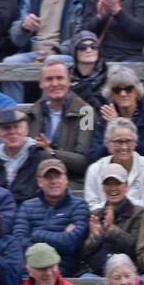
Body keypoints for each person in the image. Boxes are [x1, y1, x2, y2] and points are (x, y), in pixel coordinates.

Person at [26, 58, 97, 192]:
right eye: (49, 79)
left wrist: (51, 152)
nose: (55, 83)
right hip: (38, 181)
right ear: (41, 83)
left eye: (60, 78)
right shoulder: (33, 113)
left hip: (72, 181)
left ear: (69, 81)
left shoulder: (86, 112)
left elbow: (82, 161)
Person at [14, 159, 90, 278]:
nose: (54, 181)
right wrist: (59, 238)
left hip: (65, 271)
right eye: (48, 177)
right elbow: (19, 240)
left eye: (58, 176)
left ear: (66, 179)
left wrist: (37, 234)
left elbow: (71, 243)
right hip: (32, 269)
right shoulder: (27, 206)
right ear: (39, 181)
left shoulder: (79, 206)